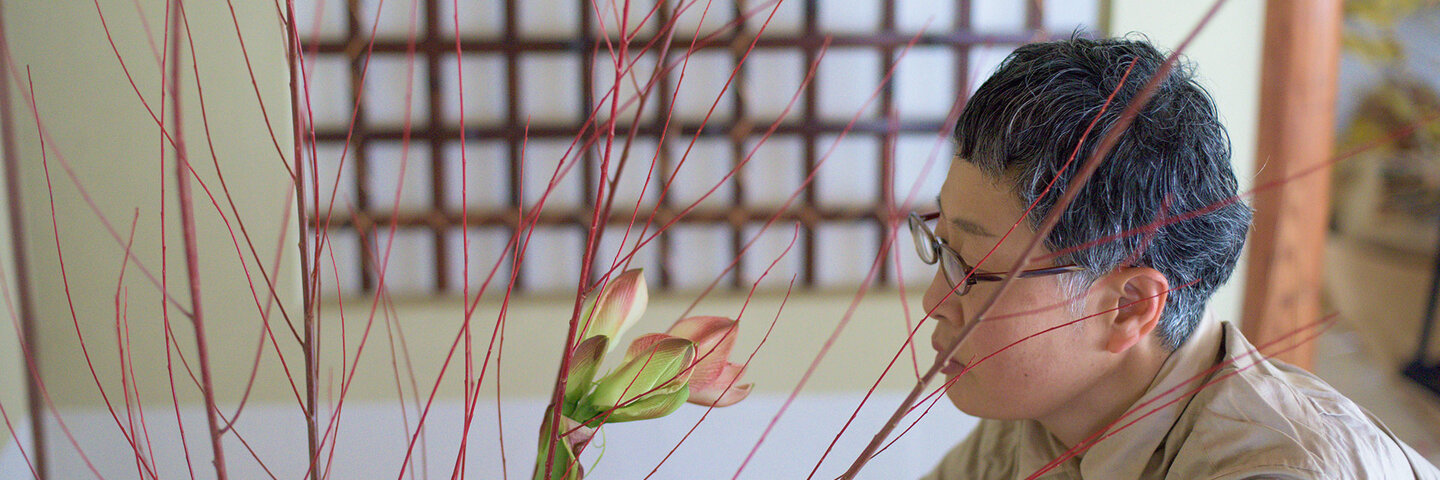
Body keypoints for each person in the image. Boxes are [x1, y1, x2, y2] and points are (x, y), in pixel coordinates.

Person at [914, 36, 1440, 479]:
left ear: (1128, 307)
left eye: (973, 270)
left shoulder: (1277, 466)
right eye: (942, 249)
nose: (933, 300)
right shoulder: (1038, 417)